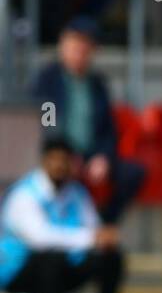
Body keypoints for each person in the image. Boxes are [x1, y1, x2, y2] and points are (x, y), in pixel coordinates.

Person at [0, 138, 124, 293]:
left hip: (61, 269)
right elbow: (40, 238)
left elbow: (92, 227)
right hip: (17, 272)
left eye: (64, 160)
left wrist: (103, 238)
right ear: (43, 161)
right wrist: (91, 238)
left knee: (112, 258)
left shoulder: (76, 193)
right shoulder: (24, 194)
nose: (59, 165)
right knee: (50, 258)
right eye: (54, 160)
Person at [30, 18, 147, 226]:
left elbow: (108, 130)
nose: (79, 53)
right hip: (59, 153)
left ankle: (103, 225)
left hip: (91, 155)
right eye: (74, 45)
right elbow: (45, 125)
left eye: (85, 47)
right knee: (56, 174)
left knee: (132, 173)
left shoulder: (97, 84)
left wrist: (103, 158)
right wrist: (65, 155)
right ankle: (60, 228)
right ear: (62, 45)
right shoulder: (47, 81)